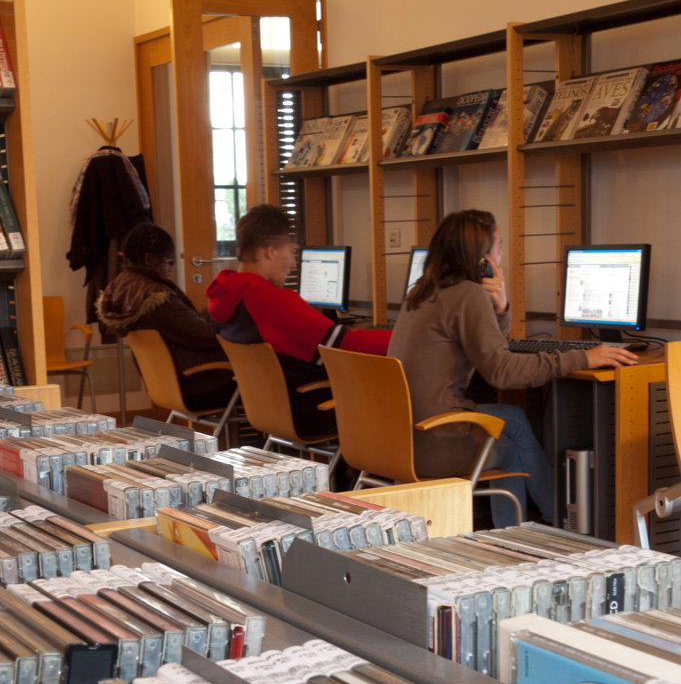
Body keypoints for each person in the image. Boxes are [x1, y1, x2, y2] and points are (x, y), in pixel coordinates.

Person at [388, 209, 638, 528]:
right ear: (481, 258)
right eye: (498, 246)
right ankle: (534, 533)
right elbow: (502, 371)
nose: (501, 253)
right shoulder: (467, 295)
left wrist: (501, 306)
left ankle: (551, 522)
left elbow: (493, 347)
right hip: (435, 442)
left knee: (515, 418)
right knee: (511, 448)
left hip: (402, 436)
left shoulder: (421, 291)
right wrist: (582, 358)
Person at [206, 203, 391, 434]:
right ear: (270, 250)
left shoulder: (223, 296)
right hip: (313, 411)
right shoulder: (269, 301)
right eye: (292, 252)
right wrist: (402, 335)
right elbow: (347, 346)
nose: (294, 263)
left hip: (270, 411)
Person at [96, 223, 234, 411]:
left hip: (169, 386)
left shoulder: (125, 288)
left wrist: (212, 310)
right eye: (169, 262)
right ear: (149, 259)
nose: (171, 269)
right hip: (197, 386)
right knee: (266, 379)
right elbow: (205, 337)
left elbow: (188, 324)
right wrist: (227, 309)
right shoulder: (155, 297)